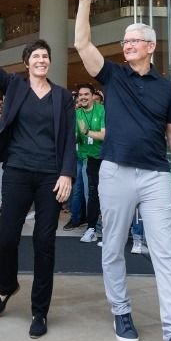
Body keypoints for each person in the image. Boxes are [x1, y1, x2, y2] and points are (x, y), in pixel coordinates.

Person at [74, 0, 171, 341]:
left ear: (150, 46)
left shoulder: (164, 87)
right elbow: (81, 43)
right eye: (124, 41)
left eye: (132, 41)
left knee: (165, 253)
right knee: (113, 246)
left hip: (156, 176)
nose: (126, 45)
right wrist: (85, 2)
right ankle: (121, 311)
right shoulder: (112, 77)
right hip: (114, 171)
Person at [0, 0, 75, 339]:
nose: (41, 60)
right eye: (35, 57)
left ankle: (39, 311)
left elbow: (69, 142)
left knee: (45, 242)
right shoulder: (15, 87)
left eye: (45, 57)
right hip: (17, 170)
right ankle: (6, 287)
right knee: (5, 238)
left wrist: (66, 173)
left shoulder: (62, 98)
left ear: (50, 62)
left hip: (50, 175)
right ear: (27, 63)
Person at [74, 83, 105, 244]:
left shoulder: (102, 110)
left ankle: (107, 231)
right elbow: (75, 137)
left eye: (86, 94)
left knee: (106, 195)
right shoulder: (77, 113)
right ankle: (92, 229)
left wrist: (86, 131)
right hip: (88, 159)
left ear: (93, 96)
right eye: (81, 95)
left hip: (105, 158)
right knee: (91, 194)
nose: (83, 97)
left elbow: (105, 135)